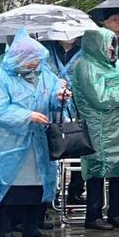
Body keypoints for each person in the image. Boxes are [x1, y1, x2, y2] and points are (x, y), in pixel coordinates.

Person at [0, 29, 71, 237]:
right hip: (10, 143)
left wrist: (61, 97)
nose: (34, 64)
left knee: (39, 184)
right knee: (10, 186)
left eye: (36, 59)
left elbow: (54, 99)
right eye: (29, 59)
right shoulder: (1, 77)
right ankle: (6, 229)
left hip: (39, 142)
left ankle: (31, 227)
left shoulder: (45, 75)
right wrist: (26, 115)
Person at [70, 27, 119, 231]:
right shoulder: (85, 66)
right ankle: (93, 215)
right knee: (97, 170)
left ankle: (116, 214)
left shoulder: (111, 66)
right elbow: (98, 97)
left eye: (112, 43)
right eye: (107, 43)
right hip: (98, 129)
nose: (111, 48)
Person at [44, 36, 85, 205]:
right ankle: (51, 192)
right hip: (52, 105)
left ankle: (75, 190)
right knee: (52, 148)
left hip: (76, 104)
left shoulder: (83, 51)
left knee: (78, 146)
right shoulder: (47, 50)